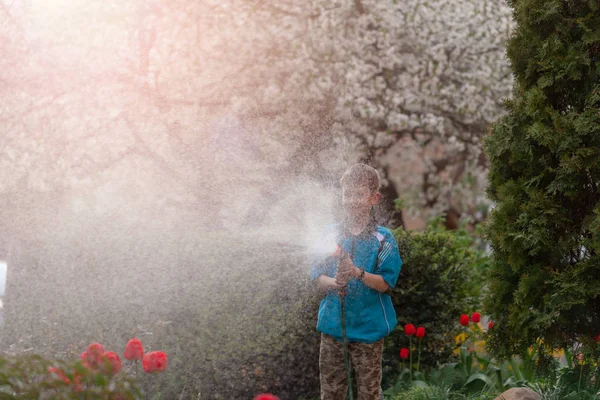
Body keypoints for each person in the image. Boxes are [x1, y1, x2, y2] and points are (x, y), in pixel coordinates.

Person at [310, 163, 402, 400]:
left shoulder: (383, 239)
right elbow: (317, 277)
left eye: (359, 194)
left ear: (374, 198)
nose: (351, 200)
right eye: (347, 194)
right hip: (333, 328)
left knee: (368, 394)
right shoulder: (329, 233)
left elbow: (385, 283)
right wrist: (335, 282)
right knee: (330, 394)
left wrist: (357, 273)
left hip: (368, 331)